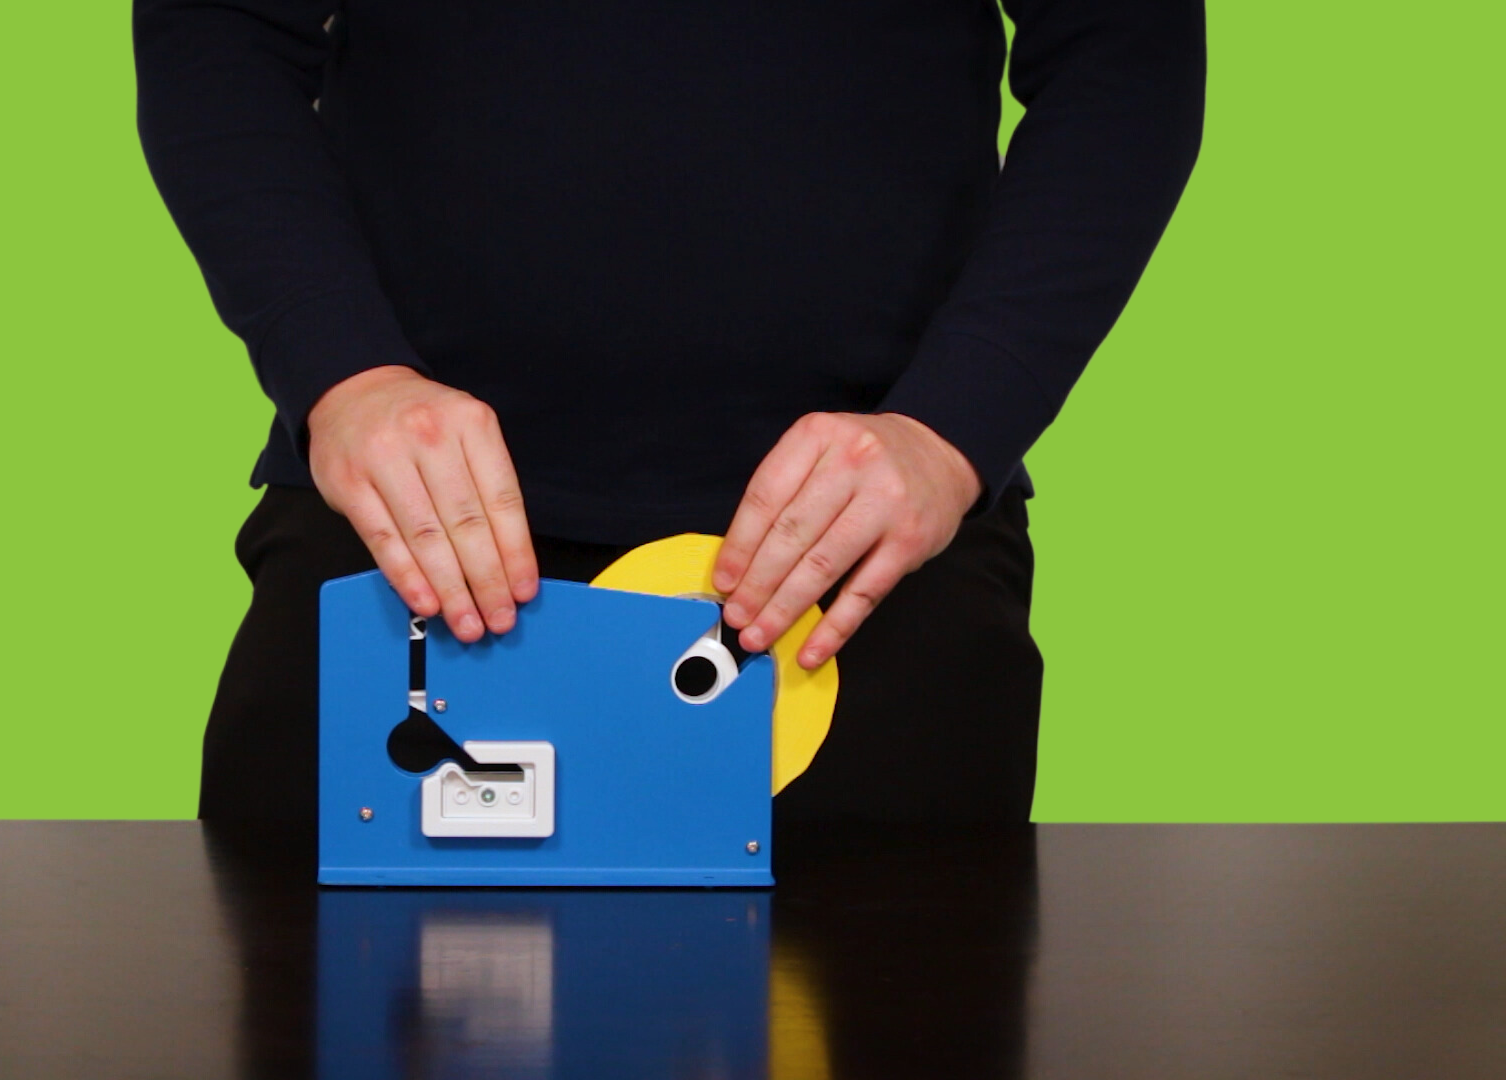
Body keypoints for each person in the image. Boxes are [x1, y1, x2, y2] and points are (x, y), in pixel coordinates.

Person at [134, 0, 1204, 828]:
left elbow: (1125, 49)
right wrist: (344, 376)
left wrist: (953, 429)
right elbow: (220, 29)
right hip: (408, 514)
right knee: (310, 998)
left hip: (869, 539)